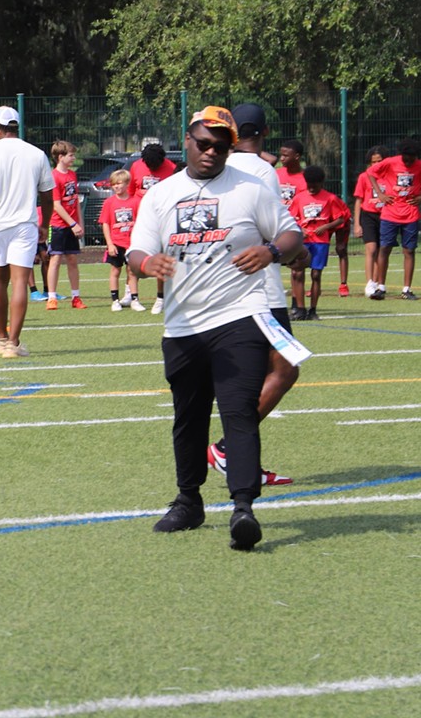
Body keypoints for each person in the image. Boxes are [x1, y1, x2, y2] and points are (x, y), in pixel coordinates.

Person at [128, 106, 305, 551]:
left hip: (239, 315)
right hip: (183, 323)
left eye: (221, 146)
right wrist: (148, 263)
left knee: (238, 409)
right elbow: (136, 251)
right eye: (204, 143)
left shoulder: (252, 187)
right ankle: (188, 501)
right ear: (186, 140)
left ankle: (243, 506)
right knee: (188, 417)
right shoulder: (161, 194)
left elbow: (291, 235)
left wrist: (269, 252)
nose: (211, 152)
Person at [204, 103, 300, 488]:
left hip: (214, 284)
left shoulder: (213, 167)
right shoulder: (262, 169)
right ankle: (227, 450)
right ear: (264, 130)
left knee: (249, 377)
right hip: (259, 288)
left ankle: (242, 461)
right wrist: (296, 252)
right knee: (285, 368)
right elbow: (273, 228)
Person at [0, 105, 54, 358]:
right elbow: (47, 196)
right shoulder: (37, 154)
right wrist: (45, 225)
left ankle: (2, 337)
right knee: (19, 283)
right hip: (25, 225)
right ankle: (14, 343)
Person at [287, 165, 349, 320]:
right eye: (309, 185)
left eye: (315, 185)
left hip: (321, 242)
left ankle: (313, 310)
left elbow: (341, 218)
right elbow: (290, 218)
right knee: (298, 272)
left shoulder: (330, 198)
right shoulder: (299, 198)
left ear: (322, 183)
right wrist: (301, 229)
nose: (312, 188)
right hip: (304, 241)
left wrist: (327, 226)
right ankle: (299, 309)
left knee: (316, 275)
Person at [366, 138, 420, 300]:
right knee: (385, 248)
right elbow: (370, 173)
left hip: (411, 214)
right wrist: (380, 194)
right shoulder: (390, 162)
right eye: (406, 157)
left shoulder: (419, 165)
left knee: (409, 251)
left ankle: (406, 289)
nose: (408, 160)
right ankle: (381, 287)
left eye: (412, 157)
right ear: (401, 155)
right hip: (390, 213)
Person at [130, 144, 178, 314]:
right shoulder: (136, 167)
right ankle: (132, 295)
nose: (152, 169)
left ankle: (160, 298)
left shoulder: (171, 168)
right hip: (138, 222)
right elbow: (130, 194)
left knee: (161, 259)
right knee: (134, 256)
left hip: (162, 222)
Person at [45, 140, 86, 310]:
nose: (74, 158)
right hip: (58, 226)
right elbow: (56, 204)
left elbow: (74, 201)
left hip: (72, 225)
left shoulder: (72, 175)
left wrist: (79, 223)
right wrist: (72, 223)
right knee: (55, 259)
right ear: (60, 157)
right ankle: (52, 297)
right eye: (71, 155)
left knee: (72, 260)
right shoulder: (54, 177)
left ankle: (76, 297)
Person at [99, 169, 145, 311]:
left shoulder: (136, 201)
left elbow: (141, 221)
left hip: (131, 243)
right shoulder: (109, 202)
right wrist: (110, 243)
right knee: (115, 271)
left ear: (127, 184)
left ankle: (134, 299)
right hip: (116, 243)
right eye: (114, 184)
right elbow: (105, 223)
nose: (117, 187)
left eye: (119, 183)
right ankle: (115, 300)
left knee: (132, 271)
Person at [354, 146, 389, 299]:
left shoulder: (390, 176)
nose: (376, 165)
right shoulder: (364, 177)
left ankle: (376, 282)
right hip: (368, 216)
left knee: (381, 251)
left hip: (387, 216)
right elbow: (358, 200)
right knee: (372, 249)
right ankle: (369, 282)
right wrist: (356, 223)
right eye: (373, 162)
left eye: (379, 161)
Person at [276, 140, 308, 208]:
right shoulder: (276, 174)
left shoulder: (306, 179)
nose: (281, 158)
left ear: (297, 156)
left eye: (285, 156)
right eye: (281, 155)